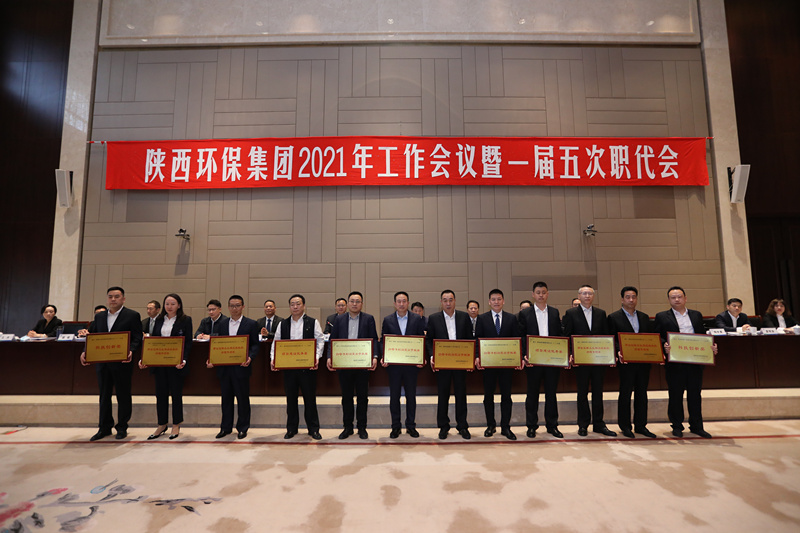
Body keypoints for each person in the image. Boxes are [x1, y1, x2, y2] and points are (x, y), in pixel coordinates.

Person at [79, 286, 143, 441]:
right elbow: (93, 336)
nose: (113, 299)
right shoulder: (100, 317)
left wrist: (131, 350)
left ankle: (122, 427)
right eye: (110, 296)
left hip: (122, 362)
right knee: (104, 395)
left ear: (123, 299)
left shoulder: (132, 315)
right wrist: (85, 351)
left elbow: (137, 337)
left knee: (123, 395)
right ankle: (104, 427)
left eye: (116, 296)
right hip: (102, 363)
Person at [654, 286, 719, 438]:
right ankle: (677, 426)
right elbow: (657, 336)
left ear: (685, 298)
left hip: (695, 361)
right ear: (669, 300)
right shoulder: (662, 316)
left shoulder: (696, 315)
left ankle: (697, 426)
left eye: (679, 297)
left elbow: (702, 335)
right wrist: (664, 345)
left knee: (695, 394)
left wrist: (711, 347)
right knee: (675, 394)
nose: (677, 299)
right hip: (675, 362)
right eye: (673, 297)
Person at [563, 284, 616, 437]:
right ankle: (583, 424)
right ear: (579, 296)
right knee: (582, 393)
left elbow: (606, 336)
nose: (587, 296)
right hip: (581, 361)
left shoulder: (601, 313)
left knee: (598, 392)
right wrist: (570, 354)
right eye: (584, 293)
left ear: (593, 296)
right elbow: (567, 335)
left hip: (598, 360)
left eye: (590, 294)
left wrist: (610, 355)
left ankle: (599, 424)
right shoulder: (571, 313)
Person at [270, 294, 325, 440]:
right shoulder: (283, 324)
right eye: (292, 304)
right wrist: (273, 358)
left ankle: (313, 429)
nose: (295, 307)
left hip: (307, 368)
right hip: (289, 368)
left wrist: (316, 357)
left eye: (298, 304)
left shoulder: (313, 322)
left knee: (310, 399)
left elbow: (320, 340)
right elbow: (276, 342)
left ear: (304, 306)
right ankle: (291, 429)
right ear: (289, 307)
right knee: (291, 399)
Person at [206, 295, 259, 439]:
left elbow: (255, 345)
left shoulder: (251, 324)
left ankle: (242, 427)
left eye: (237, 305)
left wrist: (250, 357)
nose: (234, 308)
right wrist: (212, 359)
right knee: (226, 399)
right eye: (232, 306)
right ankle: (225, 428)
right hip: (224, 368)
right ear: (228, 307)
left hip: (242, 367)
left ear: (243, 307)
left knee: (242, 399)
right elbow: (216, 344)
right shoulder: (222, 324)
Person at [139, 293, 192, 440]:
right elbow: (153, 341)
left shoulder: (185, 320)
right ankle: (161, 424)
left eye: (173, 304)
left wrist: (184, 359)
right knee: (160, 395)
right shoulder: (158, 320)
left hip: (176, 364)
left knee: (176, 394)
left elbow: (188, 342)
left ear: (179, 305)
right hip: (160, 363)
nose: (169, 307)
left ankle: (176, 424)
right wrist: (145, 358)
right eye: (167, 304)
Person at [328, 291, 379, 440]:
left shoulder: (369, 319)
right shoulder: (339, 319)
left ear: (362, 304)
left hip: (362, 364)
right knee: (346, 397)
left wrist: (375, 356)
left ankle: (362, 427)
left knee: (362, 397)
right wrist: (330, 356)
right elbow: (333, 340)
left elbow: (374, 339)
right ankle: (347, 427)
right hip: (344, 364)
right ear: (348, 303)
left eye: (358, 301)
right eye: (352, 301)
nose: (354, 304)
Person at [607, 286, 656, 439]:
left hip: (643, 362)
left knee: (642, 394)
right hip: (626, 362)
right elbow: (611, 339)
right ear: (622, 299)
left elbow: (651, 338)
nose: (631, 300)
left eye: (633, 297)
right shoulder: (613, 317)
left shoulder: (644, 317)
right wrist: (618, 351)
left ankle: (641, 425)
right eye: (627, 297)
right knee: (625, 393)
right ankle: (625, 426)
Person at [517, 282, 564, 439]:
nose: (541, 295)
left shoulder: (554, 312)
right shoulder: (525, 313)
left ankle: (552, 425)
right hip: (533, 360)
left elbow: (559, 335)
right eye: (538, 292)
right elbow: (521, 336)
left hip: (551, 360)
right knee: (532, 394)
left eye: (543, 292)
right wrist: (524, 354)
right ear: (533, 294)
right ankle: (531, 426)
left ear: (547, 294)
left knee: (551, 394)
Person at [475, 288, 522, 440]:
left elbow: (516, 339)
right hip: (488, 364)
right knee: (488, 396)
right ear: (489, 302)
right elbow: (477, 340)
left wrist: (518, 357)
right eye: (493, 299)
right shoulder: (482, 318)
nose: (496, 302)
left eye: (499, 299)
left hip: (506, 365)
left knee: (506, 396)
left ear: (503, 301)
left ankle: (505, 427)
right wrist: (477, 357)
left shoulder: (511, 318)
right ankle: (491, 425)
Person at [427, 290, 474, 440]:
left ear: (455, 301)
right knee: (443, 395)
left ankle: (462, 426)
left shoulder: (464, 317)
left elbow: (469, 339)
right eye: (445, 300)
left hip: (460, 363)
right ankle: (443, 426)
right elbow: (429, 340)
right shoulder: (434, 318)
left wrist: (470, 358)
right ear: (441, 302)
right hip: (443, 363)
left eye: (450, 300)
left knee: (461, 394)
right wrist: (432, 356)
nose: (448, 303)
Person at [381, 291, 426, 438]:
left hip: (411, 366)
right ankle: (396, 427)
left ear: (408, 303)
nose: (401, 304)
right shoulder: (387, 320)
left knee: (411, 396)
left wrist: (422, 357)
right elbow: (383, 340)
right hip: (394, 366)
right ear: (394, 304)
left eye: (404, 301)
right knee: (394, 396)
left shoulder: (417, 319)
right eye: (399, 301)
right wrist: (383, 356)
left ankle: (411, 426)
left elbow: (421, 339)